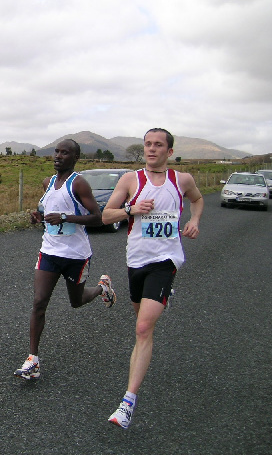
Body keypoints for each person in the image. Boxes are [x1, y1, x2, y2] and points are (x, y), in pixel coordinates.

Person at [102, 128, 204, 429]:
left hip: (166, 260)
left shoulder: (182, 180)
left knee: (144, 327)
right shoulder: (130, 180)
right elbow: (106, 215)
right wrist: (131, 209)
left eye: (158, 145)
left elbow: (198, 201)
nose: (151, 149)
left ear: (169, 152)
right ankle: (161, 296)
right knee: (140, 323)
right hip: (136, 261)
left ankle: (127, 403)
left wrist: (194, 220)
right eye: (148, 144)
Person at [14, 139, 116, 380]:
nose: (58, 156)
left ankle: (102, 288)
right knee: (39, 302)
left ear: (75, 158)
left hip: (75, 255)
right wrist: (38, 217)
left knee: (77, 301)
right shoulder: (49, 183)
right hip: (49, 251)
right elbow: (48, 213)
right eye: (57, 152)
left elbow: (97, 218)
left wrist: (66, 217)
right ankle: (33, 361)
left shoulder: (78, 183)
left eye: (65, 153)